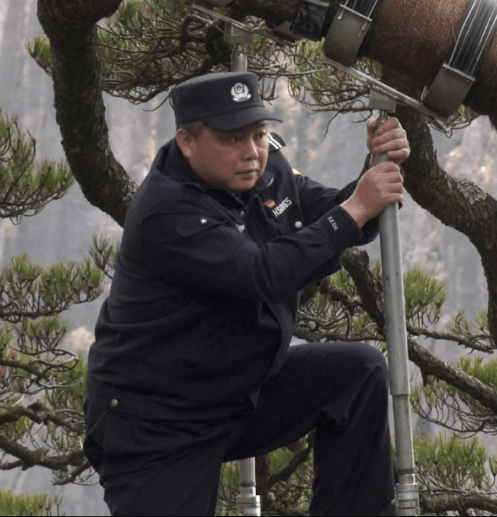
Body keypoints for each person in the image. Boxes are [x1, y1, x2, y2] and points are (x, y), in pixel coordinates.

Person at [84, 71, 411, 515]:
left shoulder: (265, 169)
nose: (252, 152)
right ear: (187, 141)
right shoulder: (166, 211)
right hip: (157, 427)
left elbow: (334, 219)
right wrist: (358, 207)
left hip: (238, 393)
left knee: (357, 375)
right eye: (232, 138)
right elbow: (263, 275)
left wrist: (372, 172)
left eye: (258, 134)